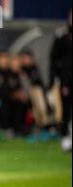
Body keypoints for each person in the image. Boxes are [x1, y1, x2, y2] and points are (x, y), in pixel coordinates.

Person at [49, 9, 72, 152]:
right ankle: (64, 139)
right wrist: (55, 80)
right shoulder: (62, 36)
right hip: (67, 82)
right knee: (66, 111)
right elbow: (54, 60)